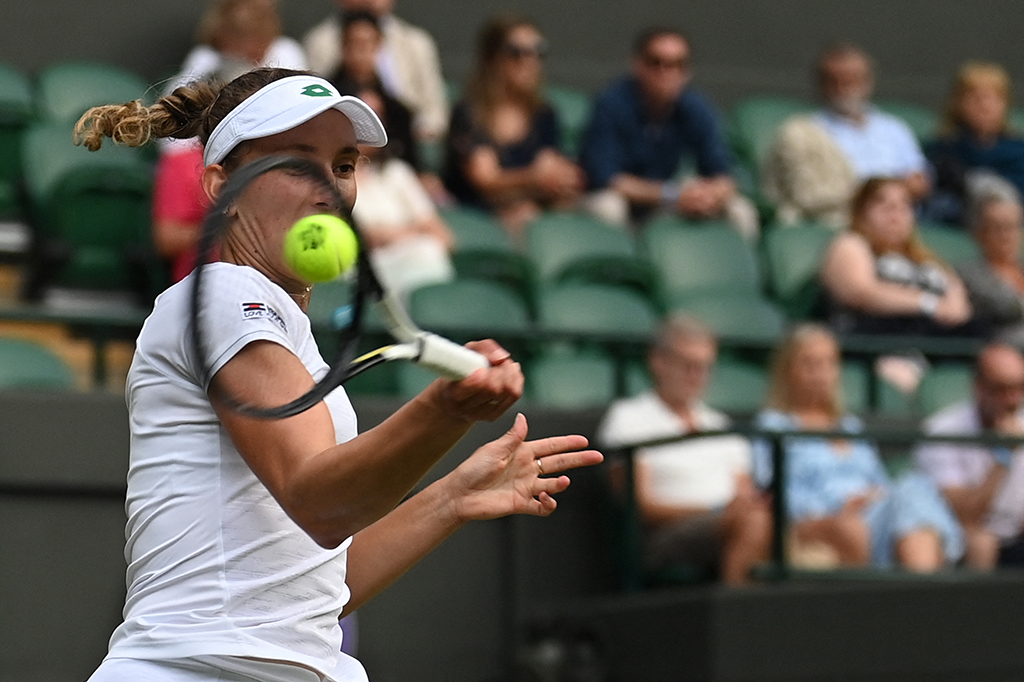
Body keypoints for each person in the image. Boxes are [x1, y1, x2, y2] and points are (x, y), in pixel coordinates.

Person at [73, 67, 602, 682]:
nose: (329, 185)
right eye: (297, 162)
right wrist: (445, 411)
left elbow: (316, 585)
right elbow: (319, 501)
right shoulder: (221, 296)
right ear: (223, 186)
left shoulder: (284, 336)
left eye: (345, 164)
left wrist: (452, 496)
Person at [753, 324, 963, 571]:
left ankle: (924, 591)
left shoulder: (850, 426)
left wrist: (872, 496)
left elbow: (880, 481)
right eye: (810, 364)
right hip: (822, 520)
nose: (821, 374)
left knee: (913, 488)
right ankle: (932, 592)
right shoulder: (774, 424)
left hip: (871, 514)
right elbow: (771, 490)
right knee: (866, 525)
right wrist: (839, 506)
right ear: (788, 371)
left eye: (829, 364)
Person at [596, 315, 771, 585]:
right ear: (658, 361)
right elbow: (635, 504)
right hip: (663, 537)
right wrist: (715, 511)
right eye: (688, 365)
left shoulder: (721, 426)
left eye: (704, 367)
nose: (696, 376)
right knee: (756, 523)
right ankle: (744, 619)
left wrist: (733, 511)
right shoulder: (628, 418)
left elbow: (743, 495)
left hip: (729, 524)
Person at [155, 0, 308, 282]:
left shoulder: (275, 165)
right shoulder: (182, 162)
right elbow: (168, 238)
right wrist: (231, 224)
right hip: (201, 291)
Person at [578, 27, 757, 238]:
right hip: (612, 199)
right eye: (656, 63)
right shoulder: (612, 103)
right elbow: (607, 178)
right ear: (637, 65)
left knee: (739, 210)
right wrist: (672, 194)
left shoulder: (696, 107)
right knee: (610, 206)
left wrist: (710, 195)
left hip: (662, 201)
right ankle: (620, 269)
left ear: (687, 72)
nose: (666, 72)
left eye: (677, 65)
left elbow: (723, 173)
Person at [442, 15, 584, 239]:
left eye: (538, 52)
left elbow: (549, 167)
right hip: (476, 212)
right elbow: (485, 180)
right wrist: (533, 177)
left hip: (530, 207)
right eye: (517, 52)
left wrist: (562, 178)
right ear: (492, 57)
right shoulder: (469, 112)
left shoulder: (544, 113)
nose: (529, 61)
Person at [762, 42, 930, 228]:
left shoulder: (894, 128)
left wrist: (893, 193)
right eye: (834, 80)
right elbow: (813, 196)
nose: (844, 88)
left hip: (902, 220)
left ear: (868, 81)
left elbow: (919, 181)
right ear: (821, 84)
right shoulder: (803, 134)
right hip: (841, 223)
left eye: (853, 79)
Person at [915, 343, 1024, 569]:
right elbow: (964, 517)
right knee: (981, 542)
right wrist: (1003, 456)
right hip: (960, 544)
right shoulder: (942, 432)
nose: (1013, 399)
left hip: (1017, 537)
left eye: (1019, 388)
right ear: (979, 388)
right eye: (1002, 389)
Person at [820, 177, 973, 336]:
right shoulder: (851, 243)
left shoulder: (923, 255)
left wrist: (956, 308)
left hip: (934, 334)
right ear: (861, 211)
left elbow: (955, 290)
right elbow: (861, 293)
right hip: (877, 336)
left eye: (903, 206)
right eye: (884, 205)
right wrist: (927, 304)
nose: (895, 215)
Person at [351, 86, 456, 301]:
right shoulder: (327, 178)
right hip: (357, 272)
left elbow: (444, 237)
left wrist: (392, 235)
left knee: (430, 252)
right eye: (359, 116)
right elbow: (363, 238)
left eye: (375, 116)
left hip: (407, 264)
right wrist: (411, 231)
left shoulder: (397, 173)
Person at [303, 0, 448, 141]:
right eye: (354, 45)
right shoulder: (319, 42)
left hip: (402, 145)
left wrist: (420, 133)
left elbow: (434, 110)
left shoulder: (417, 43)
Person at [925, 61, 1024, 225]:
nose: (985, 106)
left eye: (993, 99)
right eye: (976, 99)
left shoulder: (1018, 152)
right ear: (958, 103)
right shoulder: (943, 151)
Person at [328, 10, 418, 171]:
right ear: (343, 45)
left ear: (379, 46)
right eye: (354, 44)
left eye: (368, 44)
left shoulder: (397, 110)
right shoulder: (327, 101)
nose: (361, 52)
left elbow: (408, 158)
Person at [959, 191, 1024, 346]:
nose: (1006, 236)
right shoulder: (970, 274)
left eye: (1012, 227)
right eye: (997, 228)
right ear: (979, 233)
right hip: (1004, 349)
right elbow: (1005, 307)